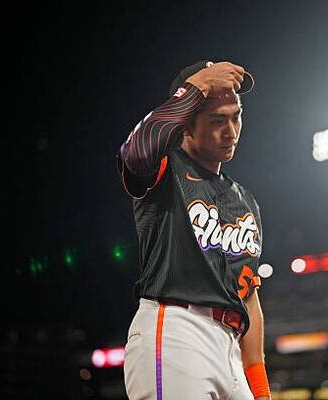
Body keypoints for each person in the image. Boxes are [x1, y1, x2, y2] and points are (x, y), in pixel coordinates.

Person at [115, 60, 270, 400]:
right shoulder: (164, 169)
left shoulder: (245, 200)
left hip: (230, 347)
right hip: (177, 332)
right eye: (217, 120)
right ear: (185, 124)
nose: (231, 130)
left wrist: (260, 389)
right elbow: (135, 151)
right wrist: (198, 86)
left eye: (236, 116)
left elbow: (247, 295)